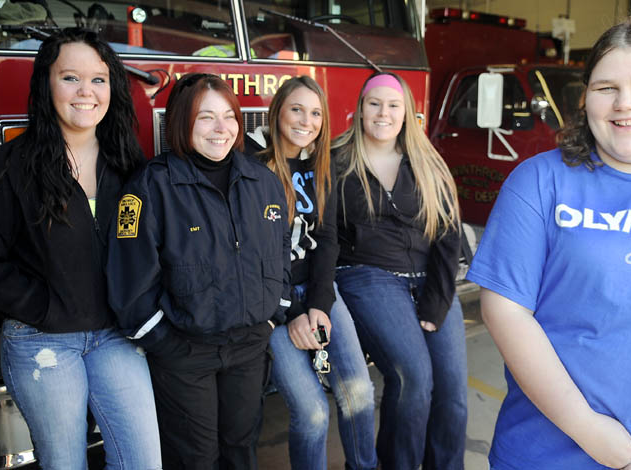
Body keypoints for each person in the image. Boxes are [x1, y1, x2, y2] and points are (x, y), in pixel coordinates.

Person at [467, 12, 631, 470]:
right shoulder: (538, 180)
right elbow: (505, 308)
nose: (624, 103)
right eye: (606, 88)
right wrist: (588, 429)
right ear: (586, 97)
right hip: (547, 453)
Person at [0, 28, 161, 470]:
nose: (86, 92)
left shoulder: (128, 162)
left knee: (143, 462)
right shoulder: (13, 164)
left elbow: (147, 246)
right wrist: (43, 306)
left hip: (115, 336)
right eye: (70, 78)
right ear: (46, 84)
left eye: (99, 79)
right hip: (42, 341)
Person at [106, 73, 291, 470]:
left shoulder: (263, 181)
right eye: (206, 117)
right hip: (185, 355)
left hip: (249, 348)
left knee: (241, 449)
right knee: (195, 459)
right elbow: (129, 282)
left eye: (229, 116)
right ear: (181, 122)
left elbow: (280, 249)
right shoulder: (149, 188)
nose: (221, 129)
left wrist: (275, 313)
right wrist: (167, 345)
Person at [332, 72, 468, 470]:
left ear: (407, 113)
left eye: (393, 105)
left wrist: (437, 303)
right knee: (413, 377)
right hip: (367, 275)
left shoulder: (428, 163)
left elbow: (448, 236)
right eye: (374, 103)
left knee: (452, 392)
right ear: (359, 110)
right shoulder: (337, 160)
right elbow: (325, 236)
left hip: (429, 278)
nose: (383, 113)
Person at [245, 76, 377, 470]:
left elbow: (328, 238)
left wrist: (320, 303)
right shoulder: (252, 169)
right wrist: (294, 313)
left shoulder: (322, 166)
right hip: (274, 303)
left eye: (316, 112)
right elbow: (255, 255)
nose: (307, 120)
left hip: (318, 292)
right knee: (313, 412)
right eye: (297, 110)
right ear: (278, 112)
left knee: (359, 393)